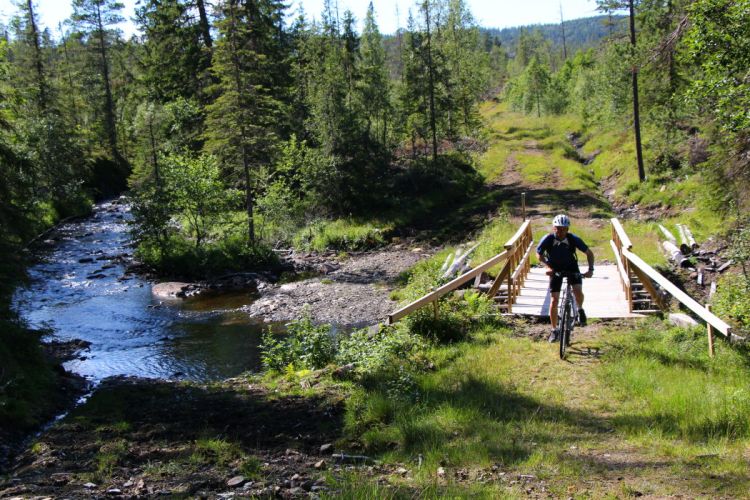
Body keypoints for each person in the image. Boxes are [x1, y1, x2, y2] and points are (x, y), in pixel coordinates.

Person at [536, 214, 594, 342]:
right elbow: (539, 254)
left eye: (563, 229)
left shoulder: (573, 239)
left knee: (577, 291)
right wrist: (547, 267)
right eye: (558, 228)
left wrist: (590, 270)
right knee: (554, 300)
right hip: (554, 269)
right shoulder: (548, 239)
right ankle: (554, 330)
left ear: (568, 229)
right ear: (554, 228)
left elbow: (589, 253)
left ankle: (580, 309)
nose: (561, 231)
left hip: (571, 267)